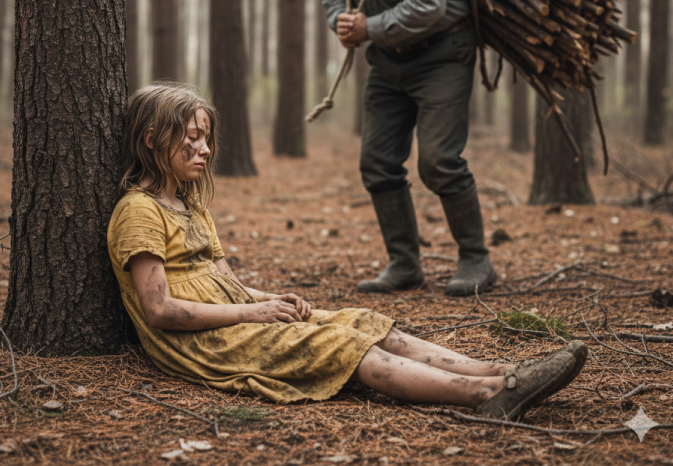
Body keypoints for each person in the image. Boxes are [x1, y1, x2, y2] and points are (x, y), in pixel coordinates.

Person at [107, 81, 587, 420]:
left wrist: (269, 301)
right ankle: (486, 394)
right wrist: (251, 315)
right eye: (191, 138)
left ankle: (507, 372)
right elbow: (160, 309)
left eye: (206, 138)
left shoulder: (191, 205)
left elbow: (225, 282)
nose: (205, 149)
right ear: (151, 140)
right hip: (202, 344)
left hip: (234, 319)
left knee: (360, 321)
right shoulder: (139, 211)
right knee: (338, 344)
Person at [320, 0, 492, 296]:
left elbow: (429, 4)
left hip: (442, 54)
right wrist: (339, 20)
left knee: (439, 162)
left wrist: (368, 27)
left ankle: (477, 261)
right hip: (387, 60)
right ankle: (404, 264)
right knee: (377, 162)